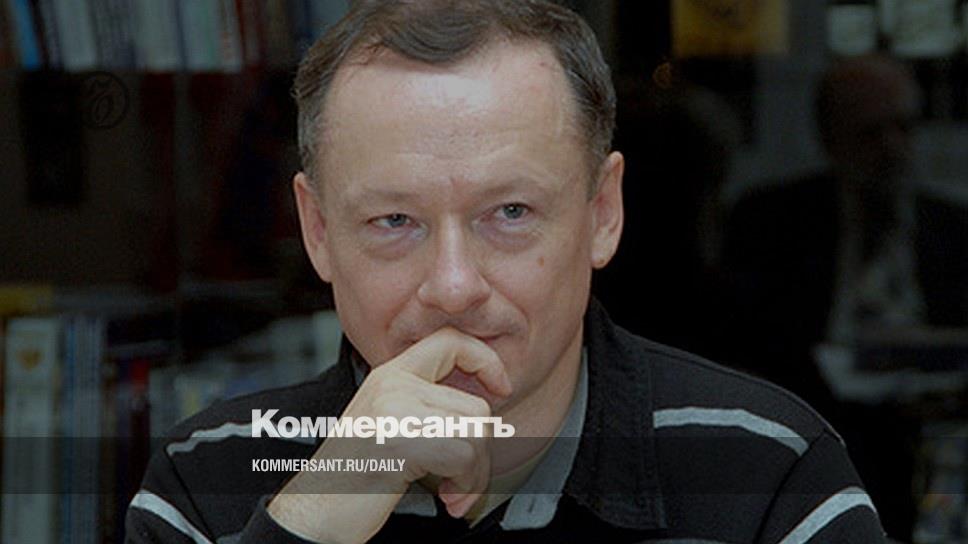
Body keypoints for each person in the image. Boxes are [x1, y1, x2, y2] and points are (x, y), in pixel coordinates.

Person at [126, 2, 885, 542]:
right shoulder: (206, 480)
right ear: (317, 232)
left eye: (510, 213)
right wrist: (311, 519)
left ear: (602, 213)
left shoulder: (769, 471)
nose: (454, 286)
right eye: (394, 221)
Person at [722, 54, 968, 540]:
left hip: (934, 423)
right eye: (871, 133)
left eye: (903, 128)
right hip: (821, 415)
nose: (892, 148)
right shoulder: (773, 223)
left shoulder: (952, 229)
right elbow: (751, 342)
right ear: (831, 140)